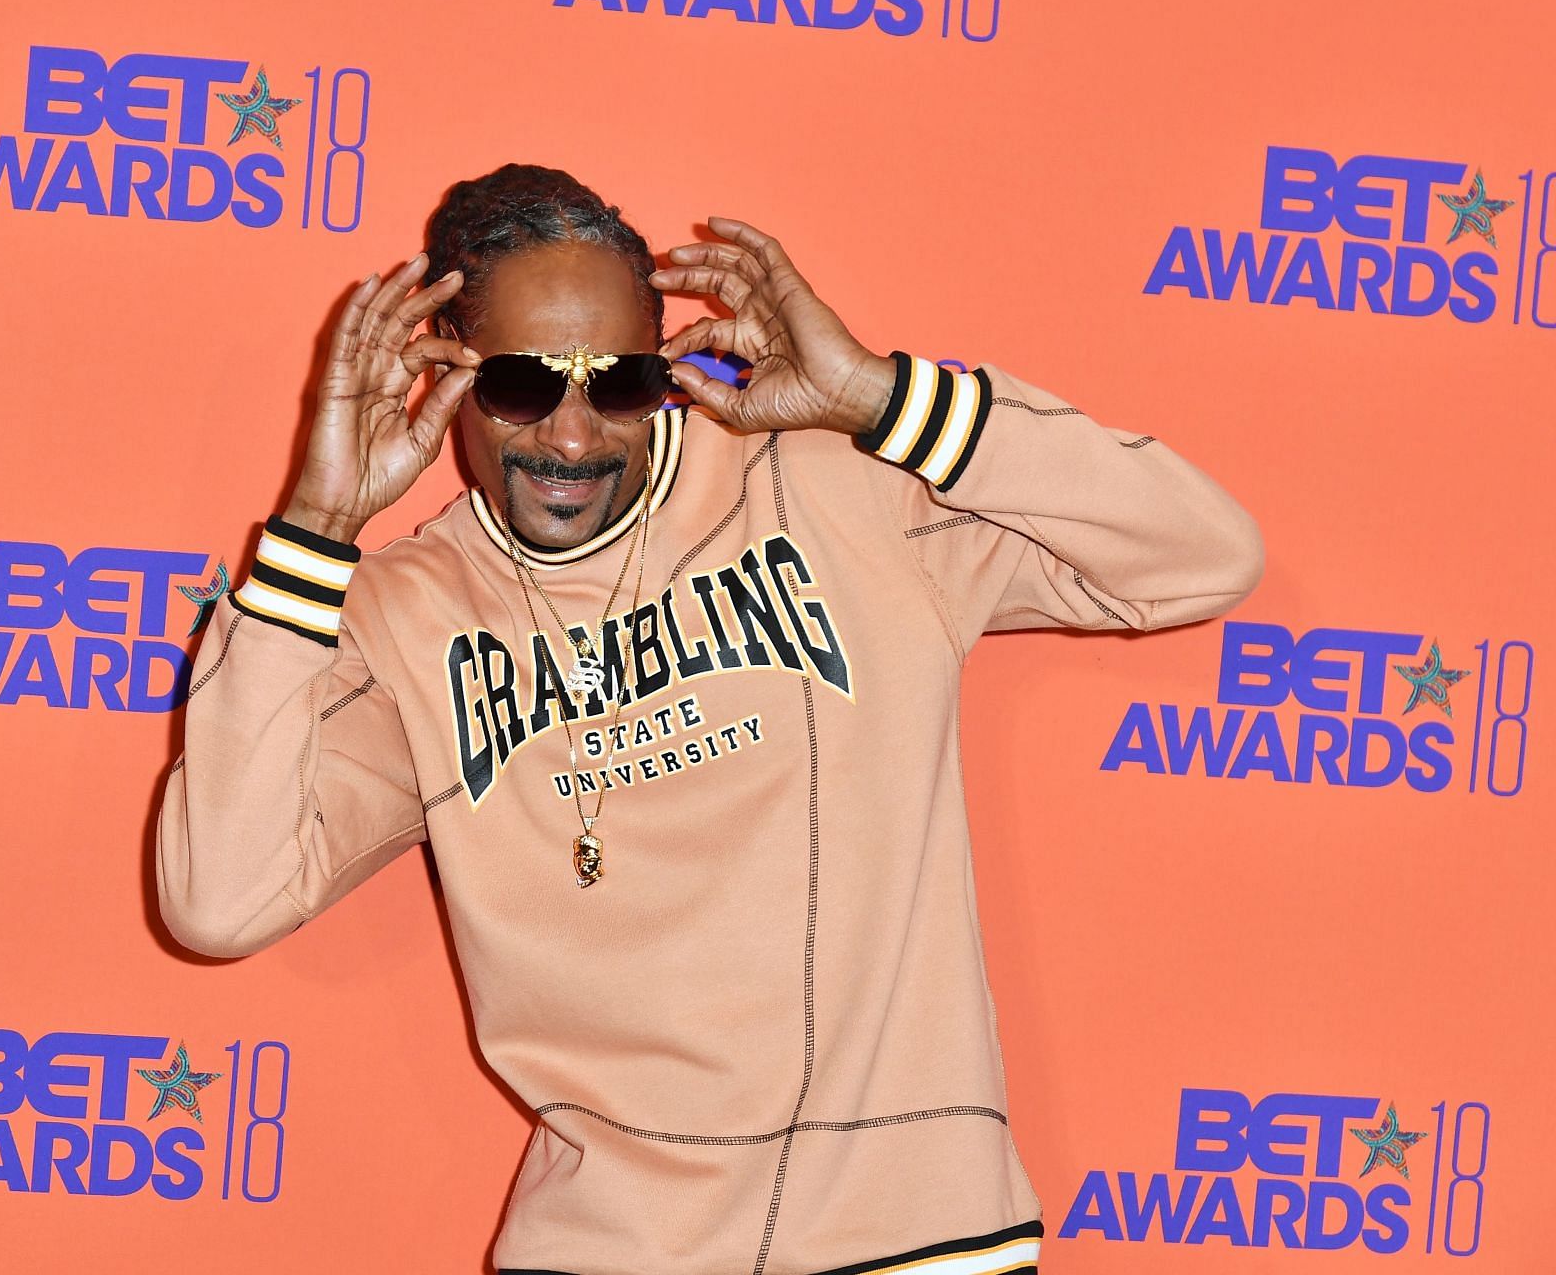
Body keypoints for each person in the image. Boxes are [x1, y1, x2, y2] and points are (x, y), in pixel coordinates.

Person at [155, 163, 1264, 1275]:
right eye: (525, 385)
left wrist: (883, 399)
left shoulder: (838, 486)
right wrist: (314, 529)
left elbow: (1203, 556)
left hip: (914, 1234)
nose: (576, 435)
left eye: (622, 382)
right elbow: (220, 900)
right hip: (611, 1249)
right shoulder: (400, 614)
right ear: (445, 368)